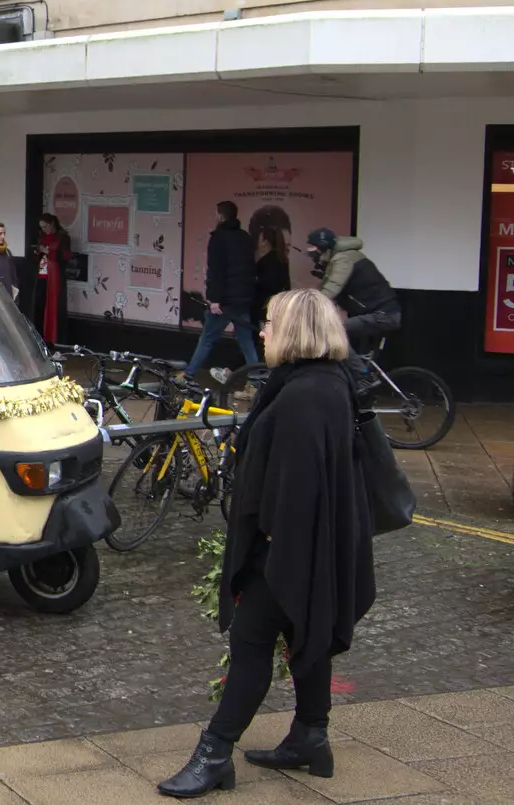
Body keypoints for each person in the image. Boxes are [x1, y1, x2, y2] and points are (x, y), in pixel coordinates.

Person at [158, 288, 375, 798]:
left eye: (270, 322)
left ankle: (214, 754)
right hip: (311, 544)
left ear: (296, 330)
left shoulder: (304, 395)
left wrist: (275, 544)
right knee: (308, 628)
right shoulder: (319, 381)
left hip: (291, 547)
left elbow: (297, 484)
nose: (261, 330)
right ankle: (310, 735)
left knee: (251, 643)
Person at [306, 228, 401, 381]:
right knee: (352, 351)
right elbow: (324, 289)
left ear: (324, 248)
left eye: (312, 249)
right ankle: (362, 387)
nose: (310, 253)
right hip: (375, 313)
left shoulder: (343, 259)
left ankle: (363, 375)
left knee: (333, 332)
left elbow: (331, 289)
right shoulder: (338, 258)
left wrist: (304, 308)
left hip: (383, 315)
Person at [183, 201, 259, 381]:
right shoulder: (245, 237)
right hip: (242, 301)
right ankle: (257, 380)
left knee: (207, 339)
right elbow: (249, 269)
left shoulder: (218, 238)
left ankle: (188, 374)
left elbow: (216, 271)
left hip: (224, 302)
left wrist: (214, 299)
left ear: (220, 216)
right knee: (247, 342)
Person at [32, 213, 72, 345]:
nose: (43, 229)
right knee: (40, 306)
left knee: (54, 307)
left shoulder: (63, 237)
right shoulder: (42, 237)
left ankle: (54, 339)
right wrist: (38, 252)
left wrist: (49, 252)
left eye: (45, 226)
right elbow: (36, 257)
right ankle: (40, 336)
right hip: (42, 275)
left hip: (55, 278)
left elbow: (65, 257)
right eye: (41, 227)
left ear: (52, 224)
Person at [253, 220, 291, 328]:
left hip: (264, 305)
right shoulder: (283, 259)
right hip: (279, 305)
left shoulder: (267, 261)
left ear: (266, 241)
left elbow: (267, 284)